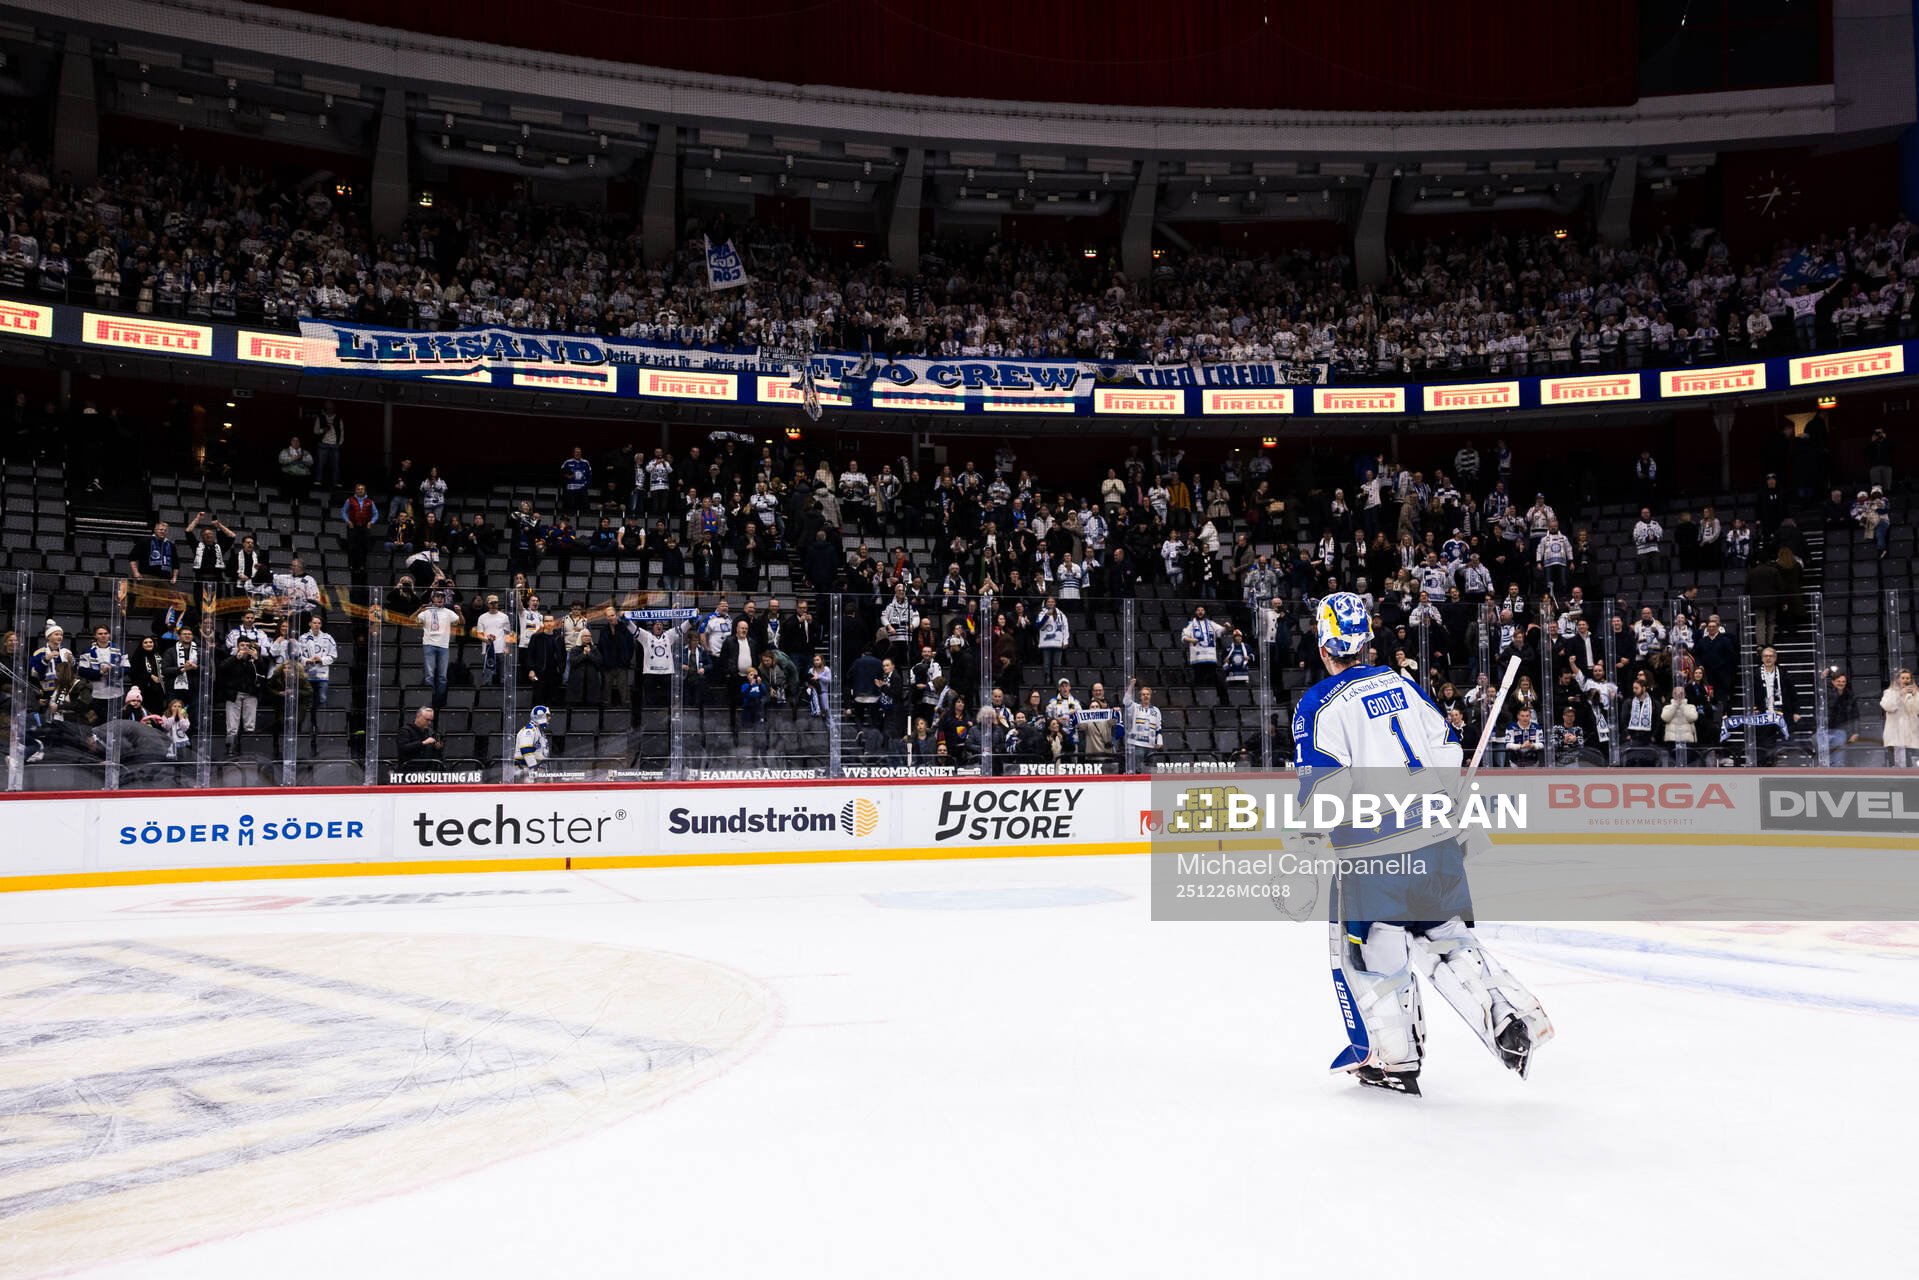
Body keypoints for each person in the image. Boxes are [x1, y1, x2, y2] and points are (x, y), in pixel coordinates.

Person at [1295, 591, 1551, 1096]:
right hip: (1435, 837)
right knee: (1446, 938)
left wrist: (1305, 846)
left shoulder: (1318, 704)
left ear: (1324, 646)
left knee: (1375, 950)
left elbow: (1327, 790)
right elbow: (1448, 749)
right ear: (1366, 642)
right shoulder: (1403, 684)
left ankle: (1396, 1062)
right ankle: (1505, 1012)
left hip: (1374, 847)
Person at [417, 593, 460, 707]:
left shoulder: (448, 612)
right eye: (437, 597)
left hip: (443, 646)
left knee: (442, 676)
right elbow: (412, 620)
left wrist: (459, 612)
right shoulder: (426, 612)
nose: (440, 599)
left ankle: (439, 701)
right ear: (433, 599)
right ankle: (429, 700)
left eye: (442, 597)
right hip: (429, 644)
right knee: (429, 675)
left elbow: (461, 622)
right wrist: (419, 610)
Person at [1881, 668, 1919, 767]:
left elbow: (1917, 710)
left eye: (1908, 678)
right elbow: (1888, 706)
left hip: (1911, 734)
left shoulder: (1915, 693)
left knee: (1912, 765)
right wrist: (1900, 694)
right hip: (1895, 734)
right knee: (1898, 765)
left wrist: (1916, 696)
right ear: (1898, 679)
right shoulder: (1889, 692)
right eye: (1903, 678)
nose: (1905, 680)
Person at [515, 705, 551, 774]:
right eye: (547, 716)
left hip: (533, 768)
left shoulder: (537, 730)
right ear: (541, 717)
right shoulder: (529, 730)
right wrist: (534, 768)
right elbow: (526, 750)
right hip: (525, 770)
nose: (549, 719)